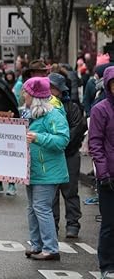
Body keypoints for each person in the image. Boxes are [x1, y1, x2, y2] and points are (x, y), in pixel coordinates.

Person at [22, 77, 69, 261]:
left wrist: (38, 137)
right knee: (33, 209)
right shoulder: (29, 113)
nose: (23, 94)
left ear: (34, 95)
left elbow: (63, 140)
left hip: (47, 171)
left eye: (26, 91)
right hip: (31, 170)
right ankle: (36, 245)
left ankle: (50, 248)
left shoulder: (53, 114)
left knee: (41, 207)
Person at [49, 72, 87, 238]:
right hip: (51, 156)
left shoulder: (72, 108)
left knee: (70, 191)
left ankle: (73, 224)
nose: (50, 90)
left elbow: (78, 129)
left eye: (53, 87)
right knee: (52, 194)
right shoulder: (43, 108)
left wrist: (60, 142)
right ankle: (52, 225)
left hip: (69, 154)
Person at [88, 66, 114, 278]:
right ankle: (107, 265)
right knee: (109, 223)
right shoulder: (101, 109)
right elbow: (95, 143)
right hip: (109, 176)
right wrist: (103, 174)